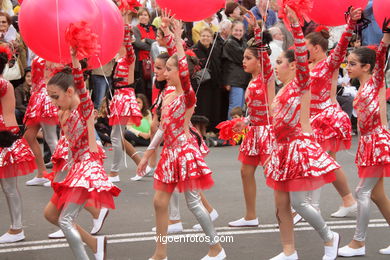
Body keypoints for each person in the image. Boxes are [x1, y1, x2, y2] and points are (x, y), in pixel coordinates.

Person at [137, 18, 225, 260]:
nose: (164, 72)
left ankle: (216, 247)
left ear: (178, 71)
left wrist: (177, 39)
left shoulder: (187, 96)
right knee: (159, 202)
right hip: (169, 152)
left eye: (169, 69)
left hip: (184, 151)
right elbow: (164, 128)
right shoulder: (166, 94)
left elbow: (185, 72)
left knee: (194, 204)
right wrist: (147, 154)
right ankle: (160, 252)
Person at [265, 7, 340, 260]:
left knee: (299, 203)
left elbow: (300, 52)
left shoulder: (299, 84)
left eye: (279, 62)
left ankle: (330, 236)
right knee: (281, 206)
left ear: (294, 65)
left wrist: (296, 27)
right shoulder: (282, 90)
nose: (276, 67)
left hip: (297, 148)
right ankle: (289, 250)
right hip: (280, 150)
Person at [43, 47, 120, 260]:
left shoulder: (83, 108)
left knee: (65, 221)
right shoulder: (65, 112)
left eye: (55, 96)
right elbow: (69, 147)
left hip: (86, 169)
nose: (53, 101)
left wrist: (76, 60)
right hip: (75, 167)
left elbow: (81, 89)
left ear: (69, 92)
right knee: (53, 215)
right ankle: (96, 245)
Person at [338, 22, 390, 257]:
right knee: (377, 195)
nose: (347, 67)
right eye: (347, 63)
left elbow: (380, 56)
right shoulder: (361, 87)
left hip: (378, 143)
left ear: (367, 67)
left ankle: (359, 242)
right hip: (368, 142)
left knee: (361, 192)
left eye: (352, 64)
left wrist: (386, 36)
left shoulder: (376, 81)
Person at [306, 8, 362, 218]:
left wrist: (350, 24)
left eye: (307, 47)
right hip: (311, 117)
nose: (304, 51)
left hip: (326, 117)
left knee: (319, 160)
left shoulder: (329, 63)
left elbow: (341, 47)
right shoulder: (309, 66)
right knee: (326, 162)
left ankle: (314, 207)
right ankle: (347, 200)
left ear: (318, 48)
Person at [228, 12, 275, 228]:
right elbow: (253, 109)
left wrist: (256, 30)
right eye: (243, 57)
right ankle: (250, 216)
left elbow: (265, 57)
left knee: (274, 175)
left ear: (259, 60)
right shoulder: (254, 79)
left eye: (248, 58)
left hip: (267, 131)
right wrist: (245, 122)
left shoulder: (266, 75)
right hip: (254, 130)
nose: (243, 61)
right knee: (245, 172)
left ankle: (294, 209)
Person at [0, 45, 36, 243]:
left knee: (9, 187)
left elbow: (8, 117)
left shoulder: (3, 85)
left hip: (3, 138)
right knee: (9, 187)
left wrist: (7, 139)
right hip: (5, 136)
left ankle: (17, 228)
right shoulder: (6, 85)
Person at [107, 22, 144, 183]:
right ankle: (142, 166)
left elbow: (129, 48)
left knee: (115, 137)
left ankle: (114, 172)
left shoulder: (130, 57)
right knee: (116, 136)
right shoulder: (118, 57)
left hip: (125, 96)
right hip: (119, 96)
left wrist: (126, 28)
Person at [23, 57, 59, 186]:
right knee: (28, 136)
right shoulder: (37, 52)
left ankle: (58, 174)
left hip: (46, 96)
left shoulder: (52, 53)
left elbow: (53, 75)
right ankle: (42, 173)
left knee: (50, 137)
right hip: (36, 96)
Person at [192, 27, 223, 131]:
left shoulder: (216, 49)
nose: (205, 38)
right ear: (199, 37)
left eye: (208, 36)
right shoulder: (194, 50)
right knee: (202, 108)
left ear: (212, 38)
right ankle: (201, 130)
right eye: (203, 36)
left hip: (214, 84)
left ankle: (211, 130)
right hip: (202, 85)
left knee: (213, 108)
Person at [222, 20, 251, 119]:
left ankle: (238, 132)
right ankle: (231, 131)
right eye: (236, 30)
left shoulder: (244, 42)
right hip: (235, 80)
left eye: (240, 30)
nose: (238, 33)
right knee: (235, 108)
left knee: (241, 109)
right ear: (231, 30)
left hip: (243, 79)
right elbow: (242, 58)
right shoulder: (229, 43)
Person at [133, 7, 156, 99]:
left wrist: (146, 40)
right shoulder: (135, 29)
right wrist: (152, 45)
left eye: (145, 15)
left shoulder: (154, 28)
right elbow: (138, 44)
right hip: (141, 61)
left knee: (152, 85)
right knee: (142, 86)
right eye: (141, 15)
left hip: (153, 60)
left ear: (149, 17)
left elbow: (157, 42)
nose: (143, 17)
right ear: (138, 17)